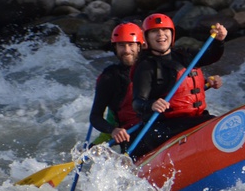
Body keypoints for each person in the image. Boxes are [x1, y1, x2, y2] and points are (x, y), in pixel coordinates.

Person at [129, 13, 226, 157]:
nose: (161, 35)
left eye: (165, 30)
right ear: (146, 38)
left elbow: (211, 56)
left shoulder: (184, 55)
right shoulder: (146, 67)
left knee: (216, 123)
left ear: (172, 34)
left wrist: (219, 41)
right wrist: (151, 105)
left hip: (196, 119)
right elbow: (137, 102)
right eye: (155, 31)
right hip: (167, 126)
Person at [88, 22, 144, 150]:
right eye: (121, 45)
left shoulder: (151, 67)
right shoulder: (109, 77)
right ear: (115, 48)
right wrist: (113, 130)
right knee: (92, 151)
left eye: (131, 45)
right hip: (126, 133)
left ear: (139, 46)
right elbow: (95, 116)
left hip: (151, 126)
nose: (126, 50)